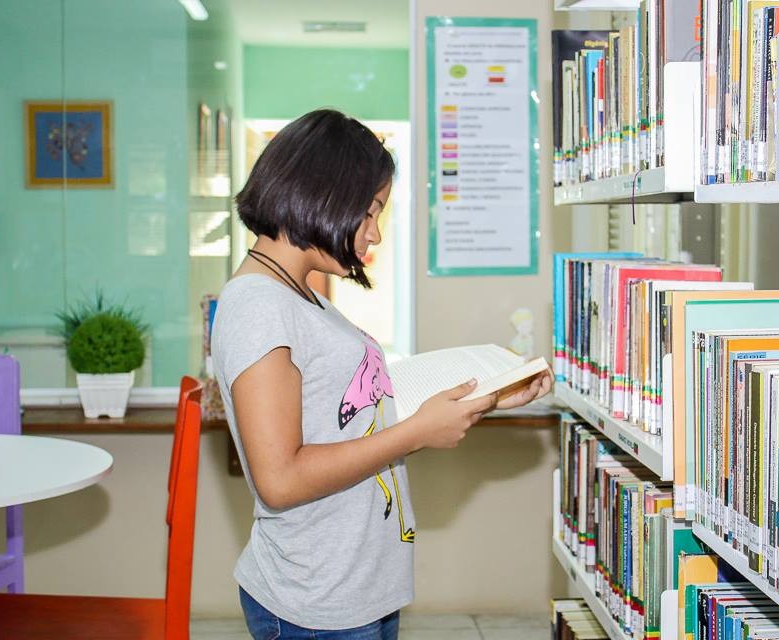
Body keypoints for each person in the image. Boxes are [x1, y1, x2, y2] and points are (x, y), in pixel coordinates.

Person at [211, 109, 552, 640]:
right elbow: (280, 480)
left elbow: (350, 424)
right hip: (315, 603)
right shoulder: (259, 306)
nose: (373, 234)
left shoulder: (298, 296)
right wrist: (416, 433)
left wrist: (484, 398)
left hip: (353, 589)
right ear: (322, 192)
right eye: (369, 212)